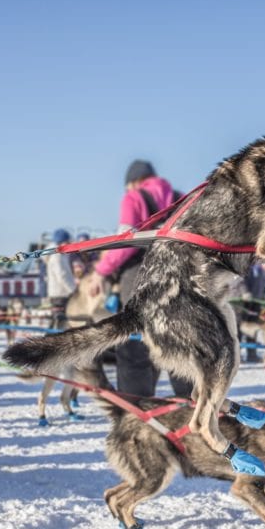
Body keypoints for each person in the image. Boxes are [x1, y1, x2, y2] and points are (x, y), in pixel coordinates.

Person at [93, 160, 191, 398]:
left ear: (134, 182)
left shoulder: (134, 198)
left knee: (135, 350)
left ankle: (136, 410)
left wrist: (101, 271)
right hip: (180, 279)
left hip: (140, 279)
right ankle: (190, 409)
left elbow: (126, 241)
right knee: (180, 346)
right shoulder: (182, 199)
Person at [43, 228, 76, 330]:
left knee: (56, 320)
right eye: (68, 242)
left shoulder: (60, 255)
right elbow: (62, 275)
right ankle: (52, 337)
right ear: (62, 242)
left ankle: (49, 337)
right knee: (60, 321)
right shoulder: (57, 256)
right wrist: (73, 290)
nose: (69, 244)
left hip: (59, 292)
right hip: (61, 293)